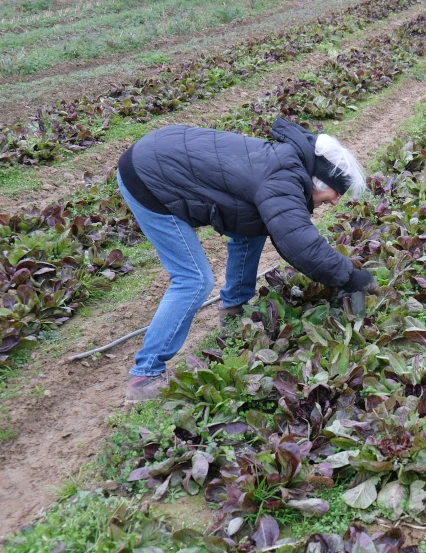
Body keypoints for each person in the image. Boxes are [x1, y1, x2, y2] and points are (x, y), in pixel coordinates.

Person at [116, 118, 375, 403]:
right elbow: (299, 244)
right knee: (194, 279)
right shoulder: (283, 180)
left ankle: (233, 311)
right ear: (319, 180)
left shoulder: (286, 164)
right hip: (148, 179)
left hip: (162, 155)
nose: (336, 201)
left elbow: (263, 228)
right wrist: (350, 277)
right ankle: (145, 374)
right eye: (336, 192)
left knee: (251, 227)